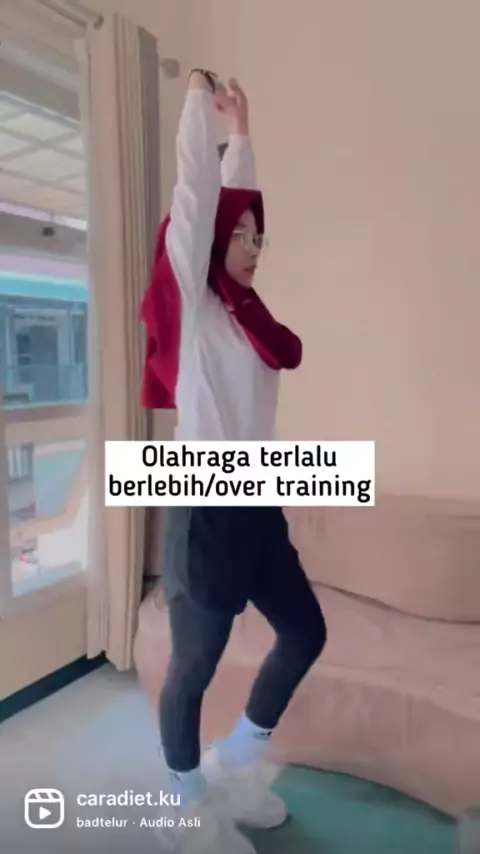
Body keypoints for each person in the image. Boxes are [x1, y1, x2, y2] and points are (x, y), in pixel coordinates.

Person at [141, 69, 327, 852]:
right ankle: (184, 803)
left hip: (257, 502)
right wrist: (196, 105)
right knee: (195, 665)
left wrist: (244, 131)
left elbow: (233, 201)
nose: (252, 248)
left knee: (305, 632)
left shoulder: (250, 318)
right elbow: (196, 202)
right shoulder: (194, 310)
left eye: (260, 236)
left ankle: (236, 765)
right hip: (205, 508)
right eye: (240, 235)